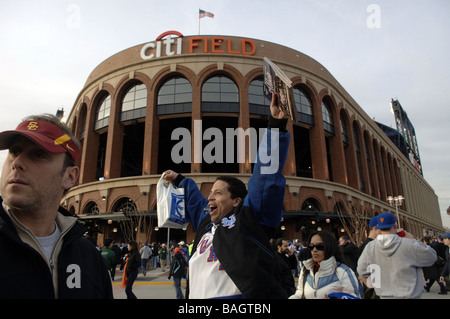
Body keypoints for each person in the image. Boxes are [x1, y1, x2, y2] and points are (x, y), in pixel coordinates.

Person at [162, 94, 289, 299]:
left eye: (218, 193)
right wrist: (180, 180)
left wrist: (275, 127)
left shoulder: (247, 218)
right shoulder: (206, 223)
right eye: (211, 192)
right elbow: (195, 201)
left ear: (237, 201)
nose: (210, 197)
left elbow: (265, 177)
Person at [0, 114, 113, 298]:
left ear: (69, 177)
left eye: (38, 155)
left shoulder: (90, 259)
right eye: (14, 151)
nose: (17, 163)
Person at [357, 212, 437, 299]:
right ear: (395, 225)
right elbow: (432, 257)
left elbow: (361, 270)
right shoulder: (409, 244)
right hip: (409, 295)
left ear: (378, 227)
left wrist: (375, 284)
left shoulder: (370, 247)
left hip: (384, 295)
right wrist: (412, 239)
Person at [289, 231, 361, 299]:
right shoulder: (306, 270)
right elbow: (300, 293)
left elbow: (353, 296)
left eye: (319, 246)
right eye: (311, 246)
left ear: (329, 247)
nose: (314, 250)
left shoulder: (343, 271)